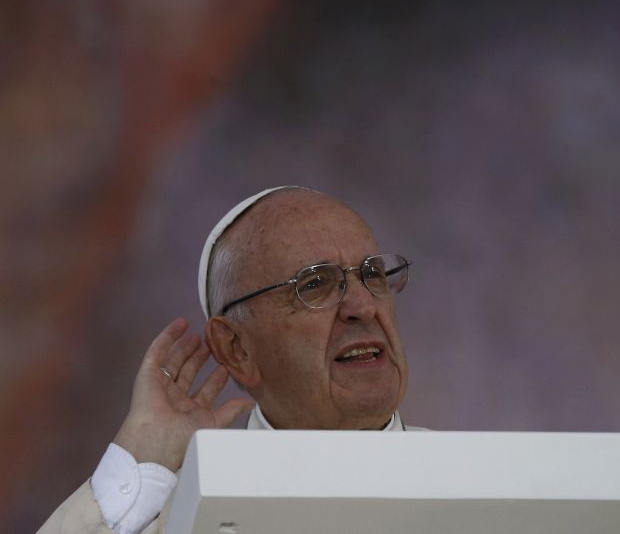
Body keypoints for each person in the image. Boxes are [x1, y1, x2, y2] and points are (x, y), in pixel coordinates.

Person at [38, 186, 421, 534]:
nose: (363, 305)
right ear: (237, 349)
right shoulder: (180, 518)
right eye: (315, 283)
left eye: (373, 274)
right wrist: (142, 461)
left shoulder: (480, 483)